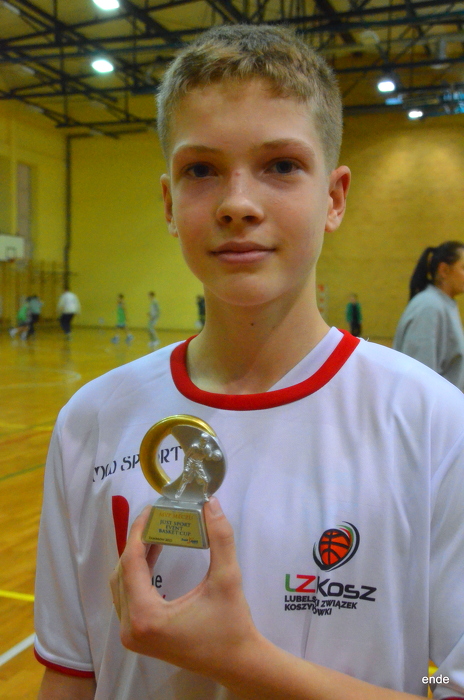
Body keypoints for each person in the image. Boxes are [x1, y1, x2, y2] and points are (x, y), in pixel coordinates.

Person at [34, 25, 464, 700]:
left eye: (282, 166)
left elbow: (447, 684)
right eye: (201, 170)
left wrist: (244, 662)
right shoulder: (90, 420)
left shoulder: (437, 424)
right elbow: (70, 673)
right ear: (169, 203)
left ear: (334, 198)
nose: (237, 203)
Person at [394, 241, 464, 390]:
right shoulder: (429, 307)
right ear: (444, 270)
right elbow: (418, 380)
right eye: (463, 267)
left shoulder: (444, 304)